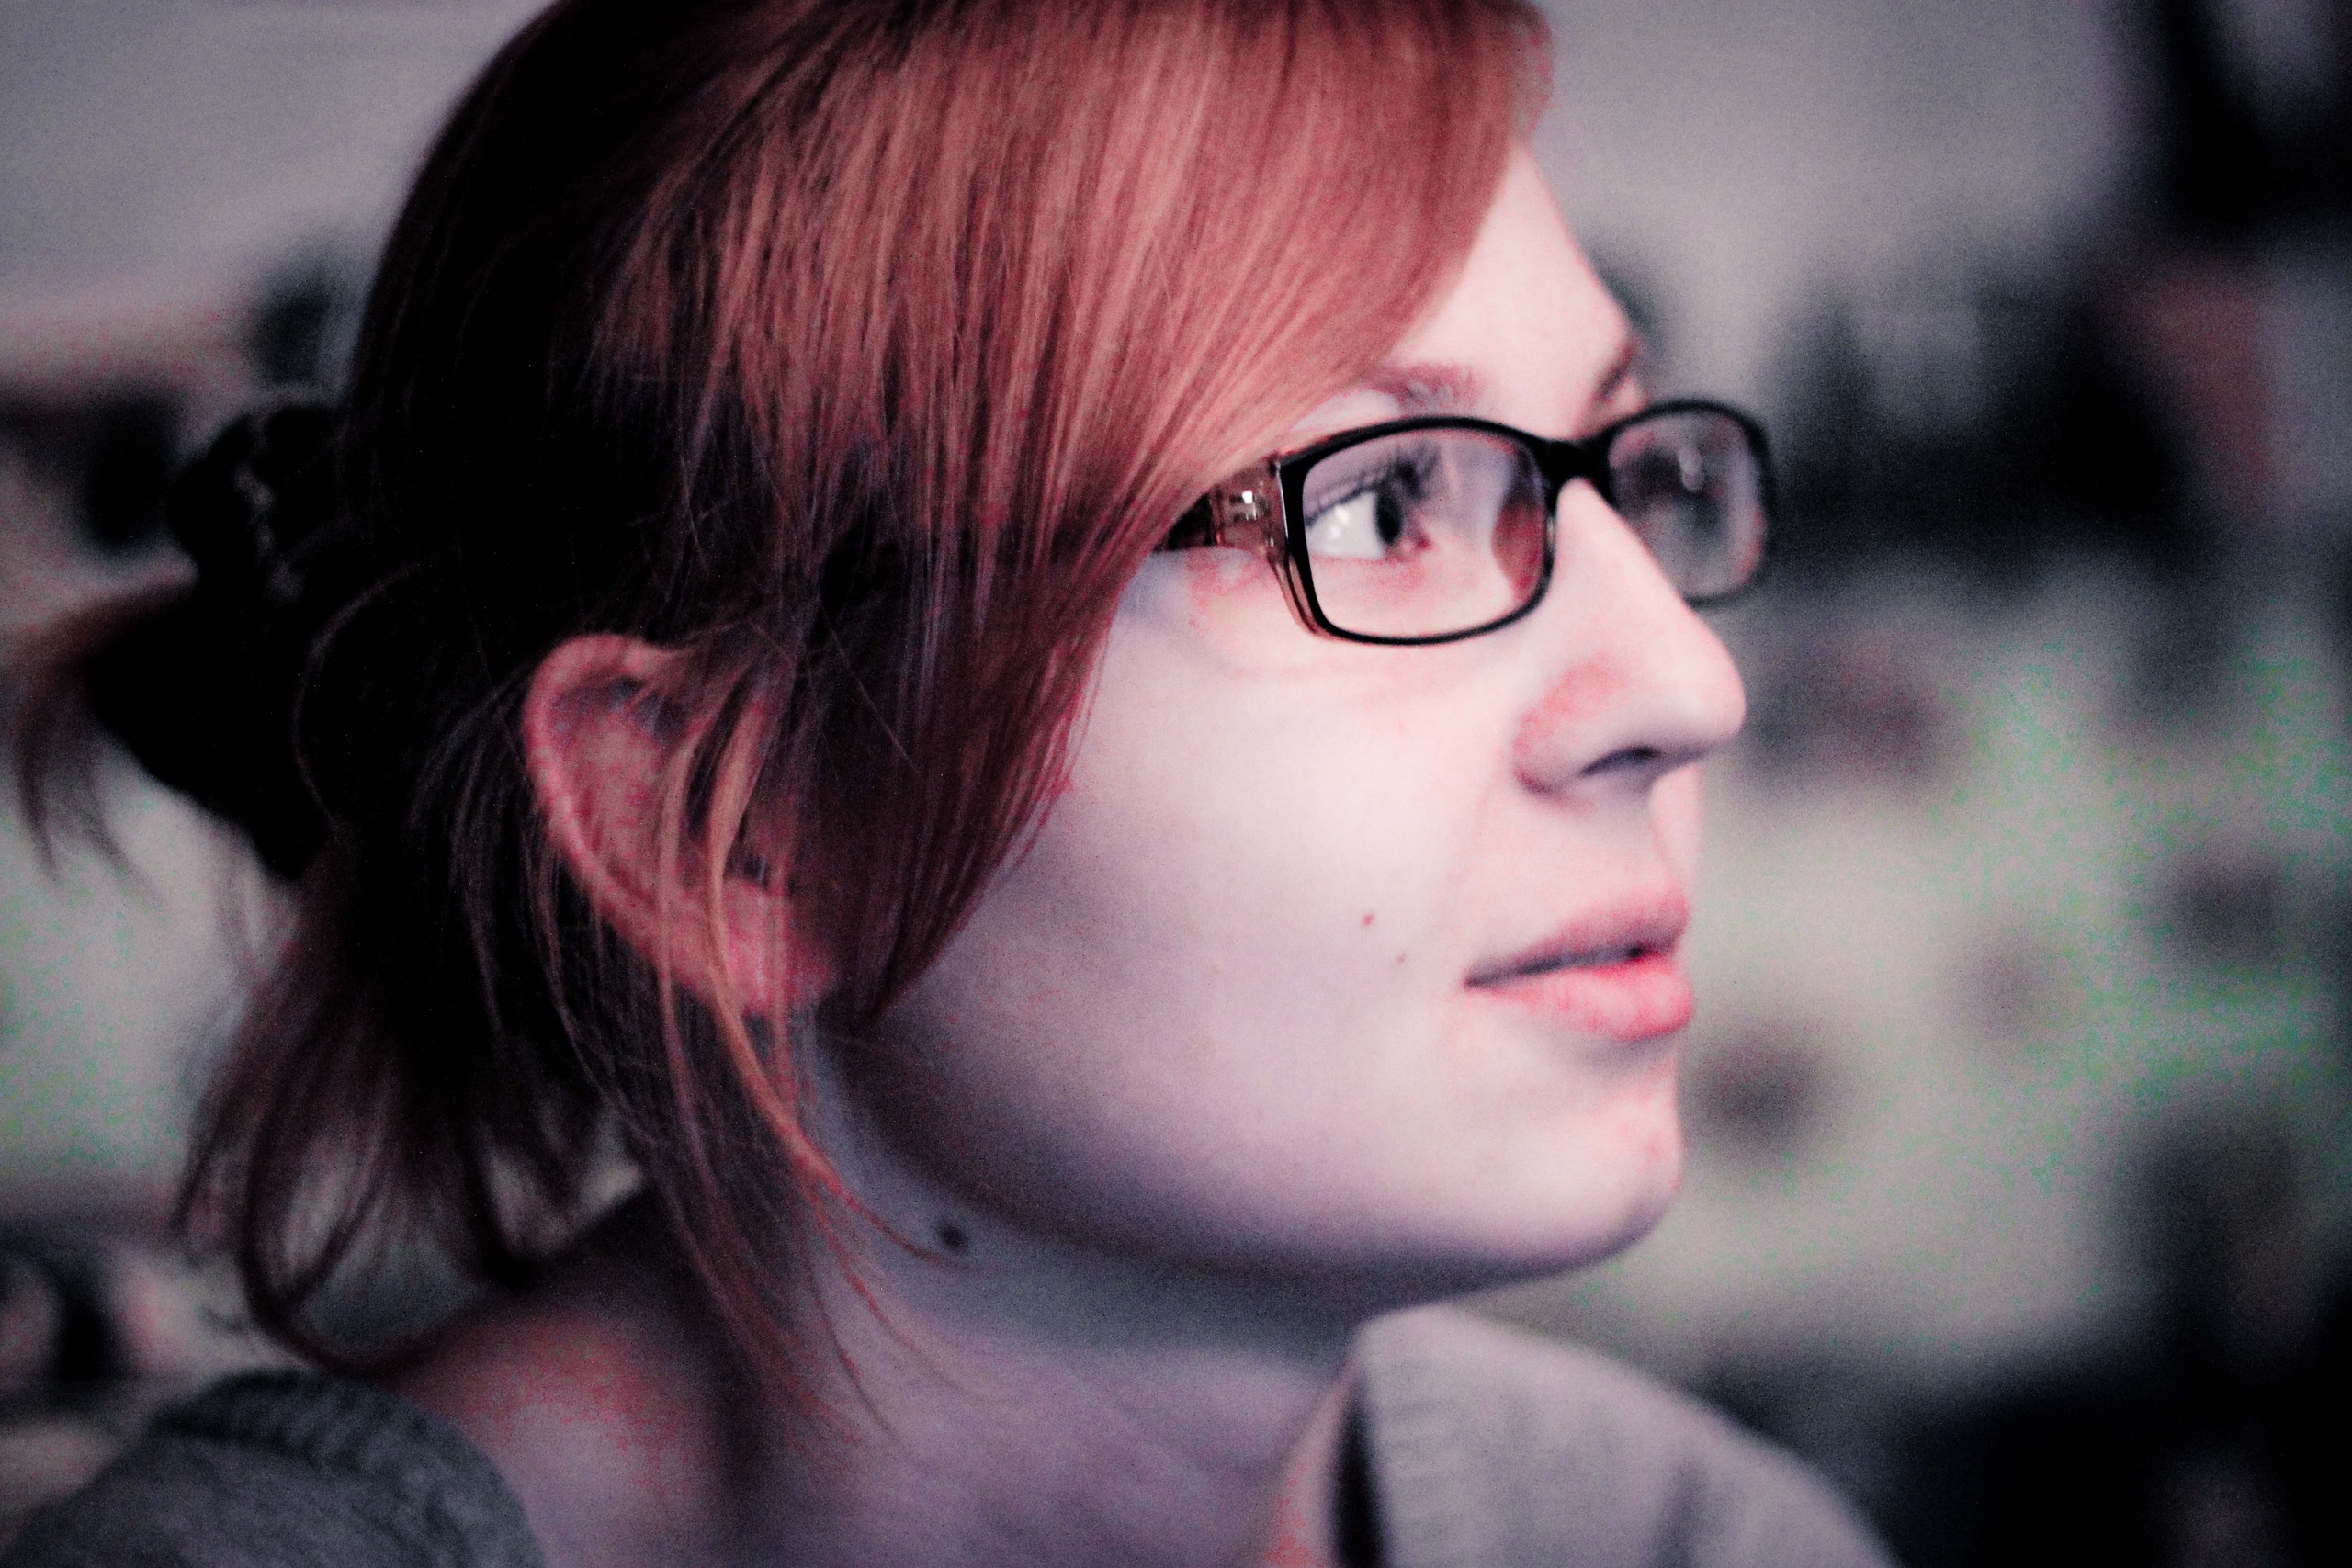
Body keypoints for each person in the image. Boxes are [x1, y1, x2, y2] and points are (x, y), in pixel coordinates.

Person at [5, 1, 1888, 1564]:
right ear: (736, 826)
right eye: (1379, 506)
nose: (1685, 686)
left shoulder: (1679, 1536)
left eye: (1629, 471)